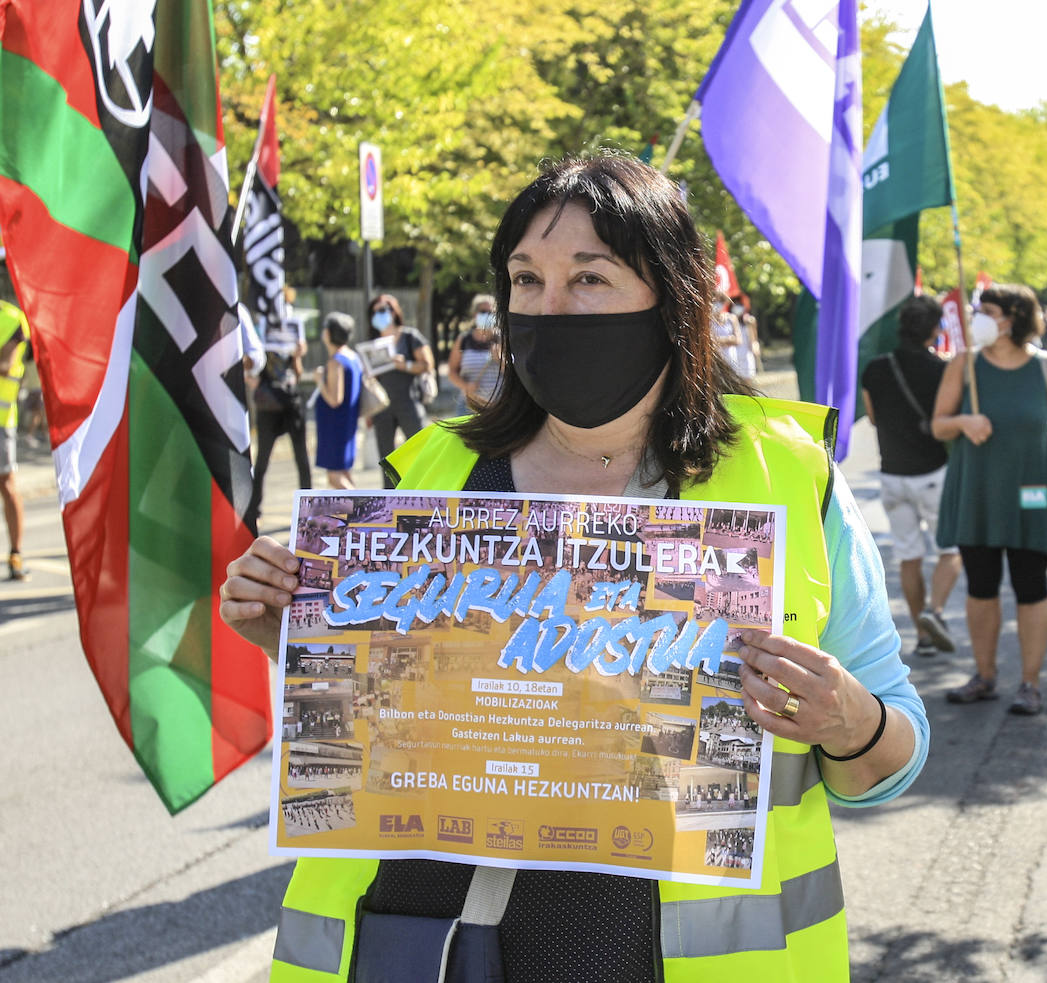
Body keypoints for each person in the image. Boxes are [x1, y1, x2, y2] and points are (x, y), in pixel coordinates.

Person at [220, 153, 929, 982]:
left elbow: (892, 756)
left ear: (672, 298)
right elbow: (382, 712)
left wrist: (852, 723)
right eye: (525, 280)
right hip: (422, 946)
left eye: (589, 279)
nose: (548, 310)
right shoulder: (435, 471)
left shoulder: (789, 480)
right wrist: (300, 636)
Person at [932, 283, 1047, 716]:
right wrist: (963, 421)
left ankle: (1030, 684)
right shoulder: (965, 365)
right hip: (976, 494)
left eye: (987, 310)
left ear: (1012, 317)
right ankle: (984, 675)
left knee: (1031, 587)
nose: (977, 316)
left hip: (1034, 493)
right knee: (980, 587)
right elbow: (938, 425)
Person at [861, 295, 962, 657]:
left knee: (909, 557)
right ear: (935, 330)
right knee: (951, 550)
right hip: (932, 472)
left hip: (892, 476)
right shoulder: (941, 370)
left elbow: (872, 418)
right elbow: (947, 424)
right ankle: (935, 612)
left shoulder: (875, 368)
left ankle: (922, 635)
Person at [245, 327, 310, 528]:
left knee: (301, 457)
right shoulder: (260, 338)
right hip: (270, 407)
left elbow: (297, 373)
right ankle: (255, 510)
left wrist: (297, 355)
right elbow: (251, 372)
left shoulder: (289, 338)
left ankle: (308, 510)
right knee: (262, 460)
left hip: (289, 404)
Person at [368, 292, 436, 464]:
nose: (379, 315)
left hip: (409, 402)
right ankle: (390, 492)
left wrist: (405, 365)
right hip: (382, 408)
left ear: (394, 311)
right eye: (374, 311)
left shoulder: (409, 337)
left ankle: (423, 491)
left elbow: (428, 364)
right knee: (386, 460)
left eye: (383, 309)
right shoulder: (373, 343)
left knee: (422, 454)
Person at [312, 313, 363, 489]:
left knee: (335, 477)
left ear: (328, 334)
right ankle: (363, 512)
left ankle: (365, 514)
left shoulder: (336, 362)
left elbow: (334, 399)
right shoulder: (353, 357)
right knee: (344, 473)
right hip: (347, 424)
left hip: (335, 427)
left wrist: (319, 380)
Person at [0, 299, 30, 580]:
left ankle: (16, 553)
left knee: (7, 487)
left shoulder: (11, 318)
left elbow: (5, 365)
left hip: (1, 421)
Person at [447, 293, 498, 414]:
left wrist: (502, 360)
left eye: (491, 312)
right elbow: (452, 372)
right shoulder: (464, 340)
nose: (487, 315)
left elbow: (515, 372)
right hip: (468, 405)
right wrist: (465, 385)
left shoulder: (503, 339)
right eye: (483, 311)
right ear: (475, 314)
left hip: (497, 407)